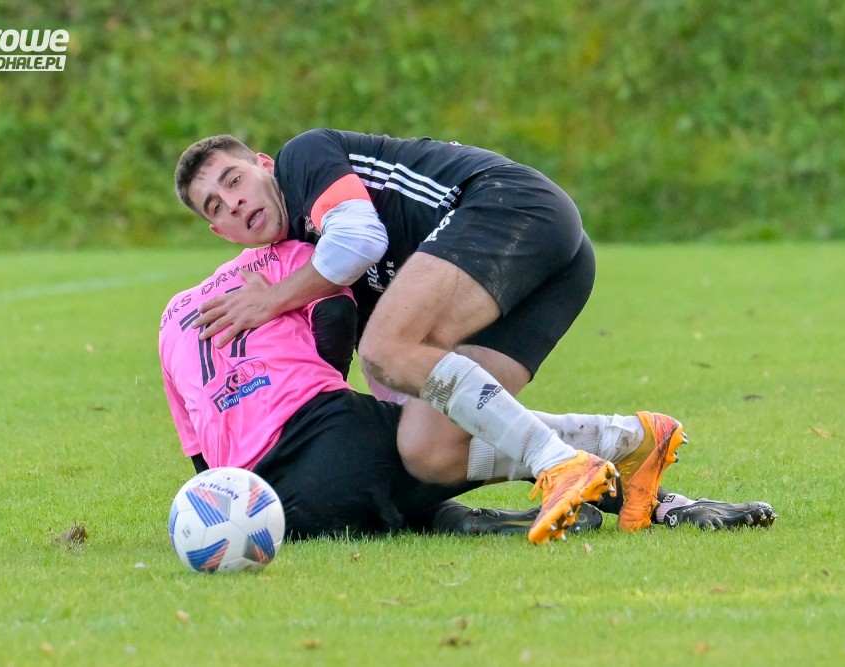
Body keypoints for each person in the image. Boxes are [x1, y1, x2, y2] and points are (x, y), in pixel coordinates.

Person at [173, 130, 676, 543]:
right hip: (561, 271)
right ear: (221, 234)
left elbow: (359, 239)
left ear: (264, 165)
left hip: (510, 207)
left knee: (383, 349)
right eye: (215, 207)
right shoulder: (314, 263)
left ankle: (559, 463)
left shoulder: (302, 159)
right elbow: (403, 376)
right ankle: (630, 441)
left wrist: (272, 300)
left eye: (235, 180)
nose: (234, 203)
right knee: (426, 448)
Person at [159, 240, 776, 540]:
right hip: (328, 436)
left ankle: (477, 521)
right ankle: (641, 463)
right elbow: (338, 316)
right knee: (445, 445)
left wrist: (228, 500)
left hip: (275, 507)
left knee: (405, 495)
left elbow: (198, 452)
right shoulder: (286, 256)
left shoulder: (170, 316)